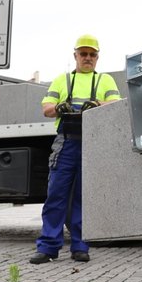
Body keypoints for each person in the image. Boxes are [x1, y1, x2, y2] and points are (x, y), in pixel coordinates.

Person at [30, 34, 121, 264]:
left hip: (92, 143)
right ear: (75, 56)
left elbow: (117, 105)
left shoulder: (105, 81)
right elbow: (46, 108)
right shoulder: (62, 80)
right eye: (83, 54)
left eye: (92, 54)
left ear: (97, 58)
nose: (87, 58)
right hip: (66, 142)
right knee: (56, 195)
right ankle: (48, 248)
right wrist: (59, 107)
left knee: (83, 197)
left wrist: (98, 104)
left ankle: (80, 246)